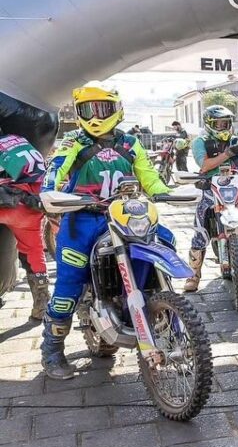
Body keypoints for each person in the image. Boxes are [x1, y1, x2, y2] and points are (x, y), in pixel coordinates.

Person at [40, 86, 173, 379]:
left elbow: (149, 176)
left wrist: (164, 192)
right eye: (88, 110)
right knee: (69, 282)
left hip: (126, 214)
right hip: (83, 217)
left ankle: (157, 308)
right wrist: (48, 191)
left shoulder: (131, 143)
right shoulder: (74, 141)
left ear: (117, 109)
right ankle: (52, 350)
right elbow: (56, 169)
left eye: (102, 109)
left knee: (166, 240)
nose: (95, 116)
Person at [183, 105, 238, 292]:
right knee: (200, 226)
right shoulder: (200, 141)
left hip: (237, 188)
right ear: (209, 124)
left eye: (225, 123)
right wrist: (228, 153)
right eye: (218, 123)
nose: (223, 126)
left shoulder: (234, 139)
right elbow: (204, 165)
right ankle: (194, 273)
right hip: (212, 190)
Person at [0, 125, 49, 320]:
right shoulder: (18, 139)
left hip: (9, 202)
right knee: (34, 251)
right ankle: (42, 303)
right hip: (34, 204)